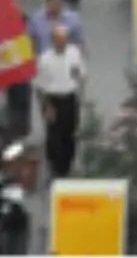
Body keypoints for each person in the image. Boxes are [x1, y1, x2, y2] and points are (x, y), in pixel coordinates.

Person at [34, 23, 85, 177]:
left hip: (70, 97)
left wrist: (81, 95)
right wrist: (47, 107)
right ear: (53, 41)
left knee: (70, 133)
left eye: (65, 40)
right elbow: (39, 85)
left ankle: (68, 165)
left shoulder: (74, 53)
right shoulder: (44, 59)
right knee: (54, 136)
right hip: (53, 100)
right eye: (59, 40)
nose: (62, 43)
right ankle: (56, 168)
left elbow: (81, 74)